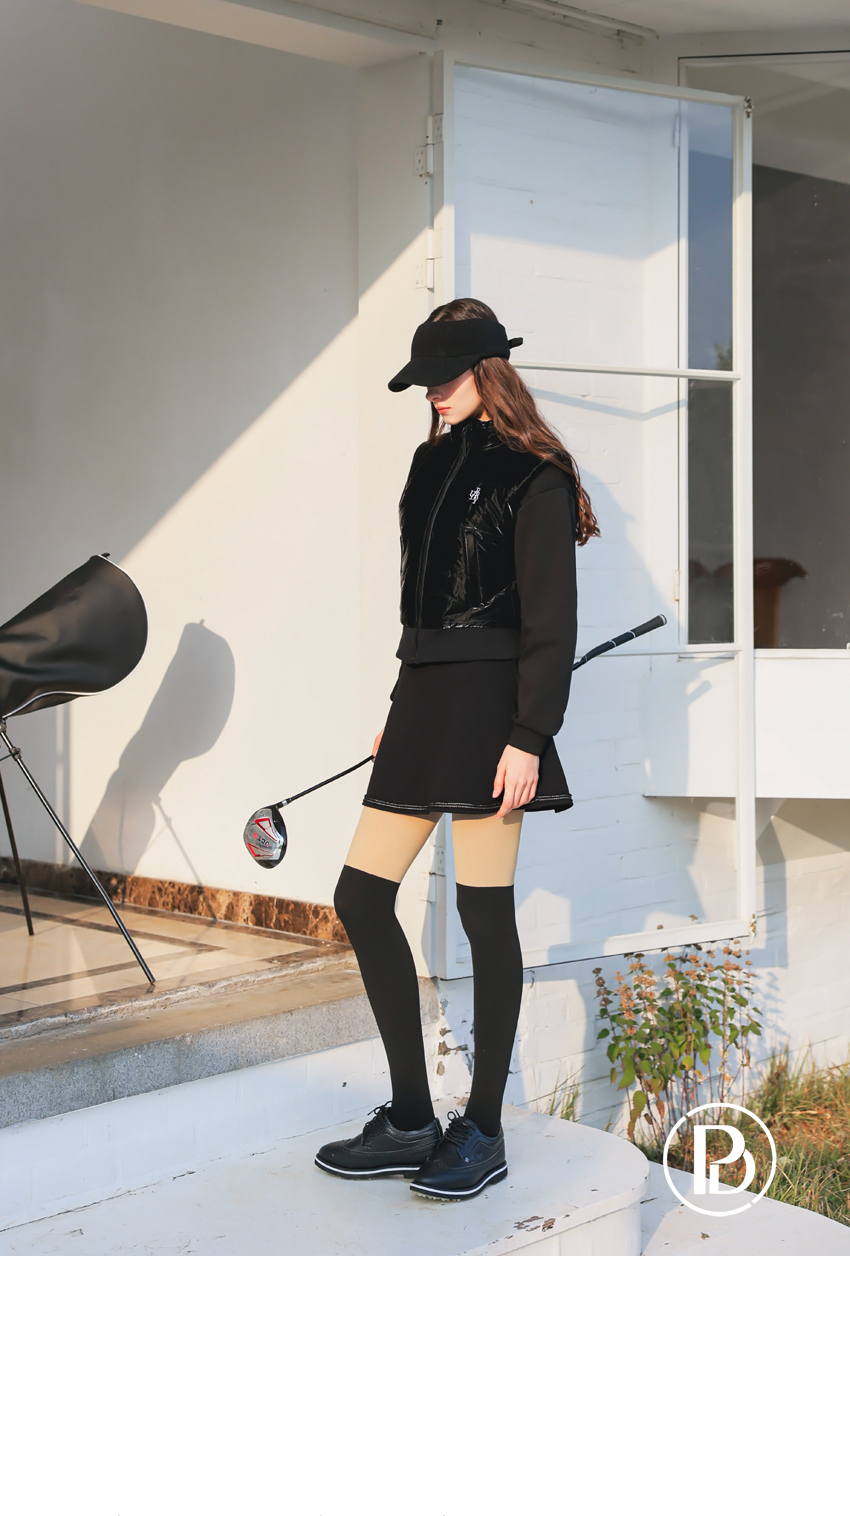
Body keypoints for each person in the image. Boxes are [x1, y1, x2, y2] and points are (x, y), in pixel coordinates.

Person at [315, 298, 599, 1200]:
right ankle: (410, 1118)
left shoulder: (535, 474)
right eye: (424, 382)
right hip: (426, 697)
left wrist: (530, 735)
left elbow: (551, 623)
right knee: (361, 896)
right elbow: (421, 606)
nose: (433, 394)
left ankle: (482, 1130)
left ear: (489, 372)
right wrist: (400, 707)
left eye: (445, 378)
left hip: (493, 711)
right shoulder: (428, 463)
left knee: (483, 913)